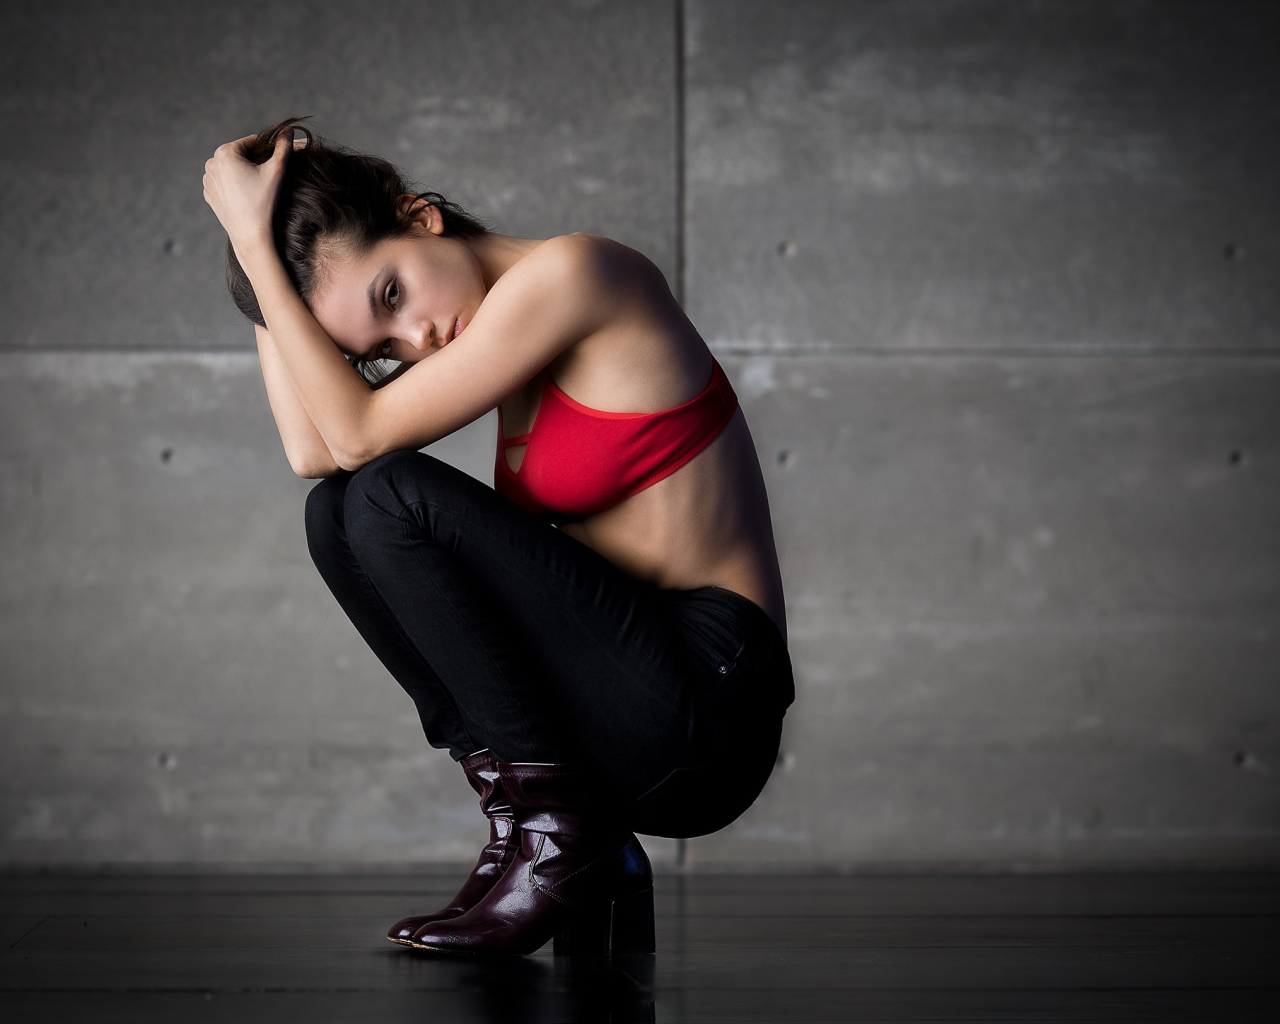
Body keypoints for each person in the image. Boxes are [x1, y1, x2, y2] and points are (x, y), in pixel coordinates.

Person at [203, 116, 795, 956]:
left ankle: (562, 836)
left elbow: (358, 438)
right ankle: (538, 825)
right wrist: (257, 258)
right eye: (382, 349)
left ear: (419, 216)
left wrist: (256, 244)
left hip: (712, 707)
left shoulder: (577, 274)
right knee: (335, 513)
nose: (416, 341)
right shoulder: (491, 336)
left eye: (392, 295)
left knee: (386, 497)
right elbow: (314, 453)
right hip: (630, 694)